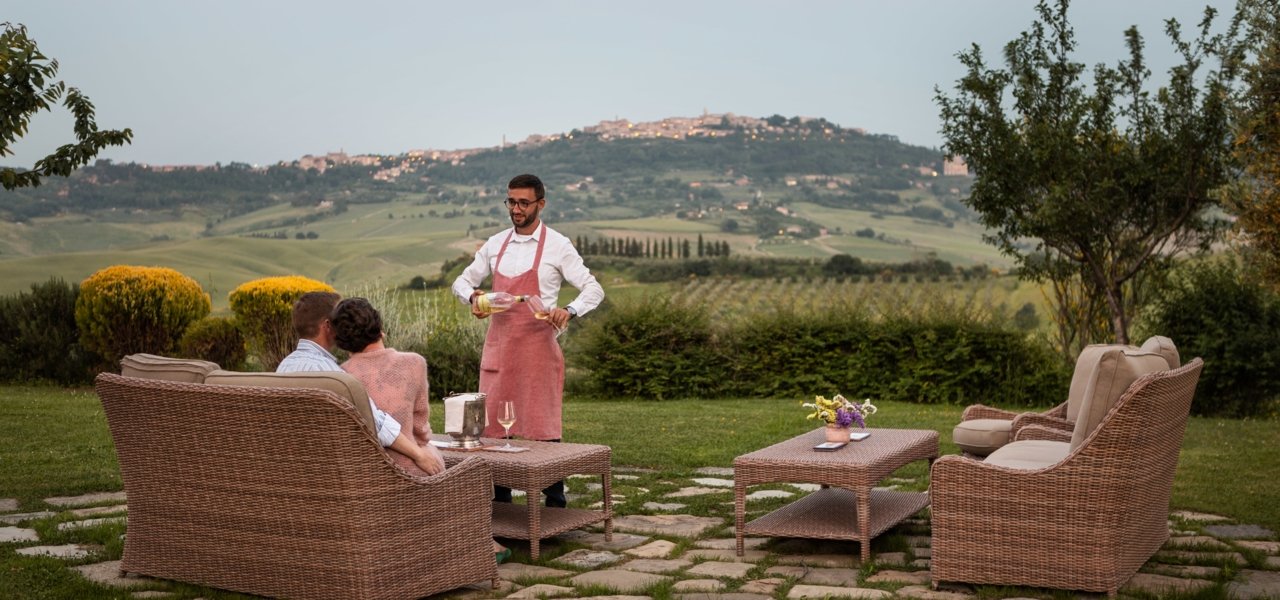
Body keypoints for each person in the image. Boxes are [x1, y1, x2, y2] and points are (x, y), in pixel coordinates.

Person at [452, 173, 604, 508]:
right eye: (511, 202)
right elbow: (461, 282)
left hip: (538, 349)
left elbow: (594, 288)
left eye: (523, 202)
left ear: (541, 204)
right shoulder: (495, 244)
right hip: (500, 349)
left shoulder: (558, 245)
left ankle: (554, 503)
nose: (516, 209)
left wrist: (570, 310)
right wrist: (474, 299)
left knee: (542, 424)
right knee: (492, 427)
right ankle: (501, 505)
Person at [330, 297, 510, 563]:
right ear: (380, 329)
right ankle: (481, 543)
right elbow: (420, 427)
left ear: (341, 341)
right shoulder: (412, 363)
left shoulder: (341, 377)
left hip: (364, 474)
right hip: (408, 467)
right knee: (454, 467)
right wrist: (423, 447)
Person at [277, 291, 444, 476]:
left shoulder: (284, 367)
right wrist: (419, 454)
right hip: (353, 476)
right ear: (327, 326)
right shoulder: (332, 375)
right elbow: (375, 423)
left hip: (301, 473)